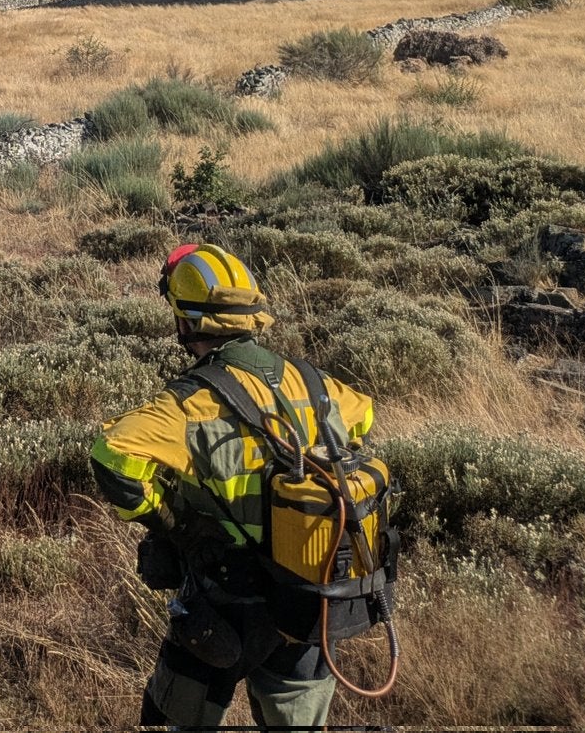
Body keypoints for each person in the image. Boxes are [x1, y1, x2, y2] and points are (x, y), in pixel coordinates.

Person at [91, 244, 380, 731]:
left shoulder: (192, 402)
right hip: (307, 591)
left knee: (176, 718)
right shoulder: (315, 382)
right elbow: (364, 413)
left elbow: (112, 457)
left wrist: (177, 525)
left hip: (224, 599)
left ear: (186, 323)